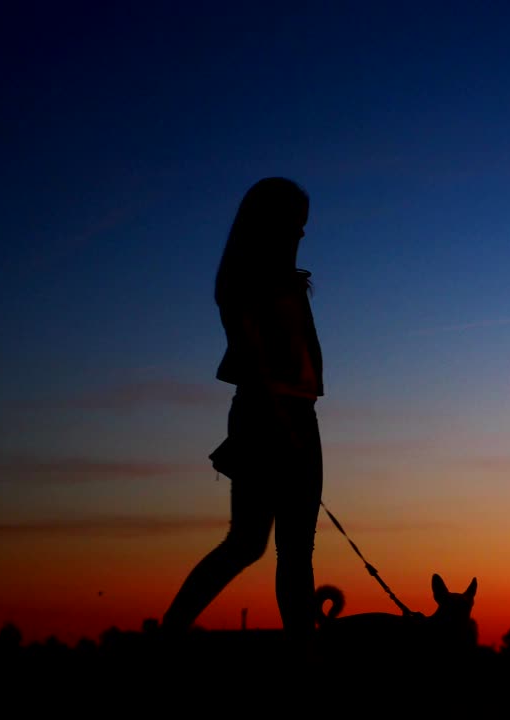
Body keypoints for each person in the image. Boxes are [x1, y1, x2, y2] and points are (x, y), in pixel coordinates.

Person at [161, 177, 325, 662]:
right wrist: (284, 424)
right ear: (268, 225)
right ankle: (168, 636)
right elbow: (254, 358)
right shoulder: (246, 283)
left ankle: (302, 652)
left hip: (297, 413)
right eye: (294, 225)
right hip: (265, 415)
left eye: (303, 227)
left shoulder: (289, 283)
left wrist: (298, 419)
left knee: (290, 550)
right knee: (251, 543)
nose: (300, 236)